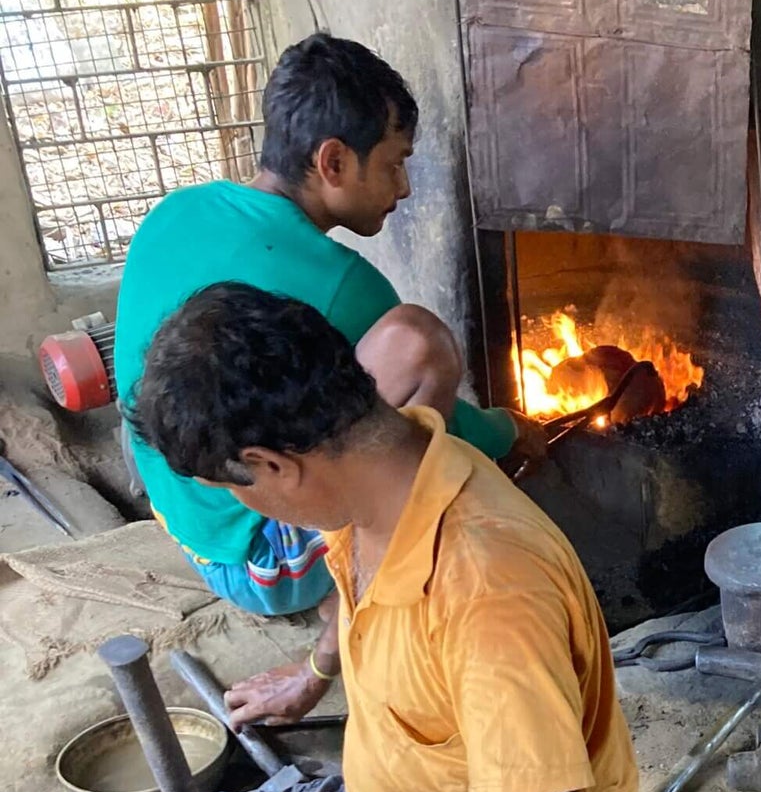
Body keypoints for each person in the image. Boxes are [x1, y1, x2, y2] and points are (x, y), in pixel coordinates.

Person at [125, 284, 643, 792]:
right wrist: (315, 673)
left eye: (235, 490)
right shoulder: (379, 468)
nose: (241, 506)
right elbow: (354, 561)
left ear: (273, 467)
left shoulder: (487, 583)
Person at [114, 33, 544, 615]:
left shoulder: (178, 209)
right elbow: (432, 429)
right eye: (394, 164)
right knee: (414, 352)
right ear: (333, 162)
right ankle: (364, 581)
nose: (404, 187)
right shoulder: (342, 285)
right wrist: (511, 431)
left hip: (174, 501)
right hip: (254, 558)